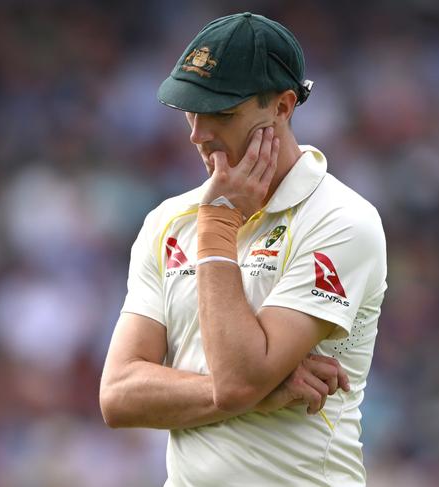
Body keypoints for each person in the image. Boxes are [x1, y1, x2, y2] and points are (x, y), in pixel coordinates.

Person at [100, 12, 387, 487]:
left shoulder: (341, 220)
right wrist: (257, 392)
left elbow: (238, 379)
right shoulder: (167, 222)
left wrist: (217, 224)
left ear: (283, 106)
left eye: (223, 113)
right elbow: (118, 394)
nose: (198, 133)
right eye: (192, 110)